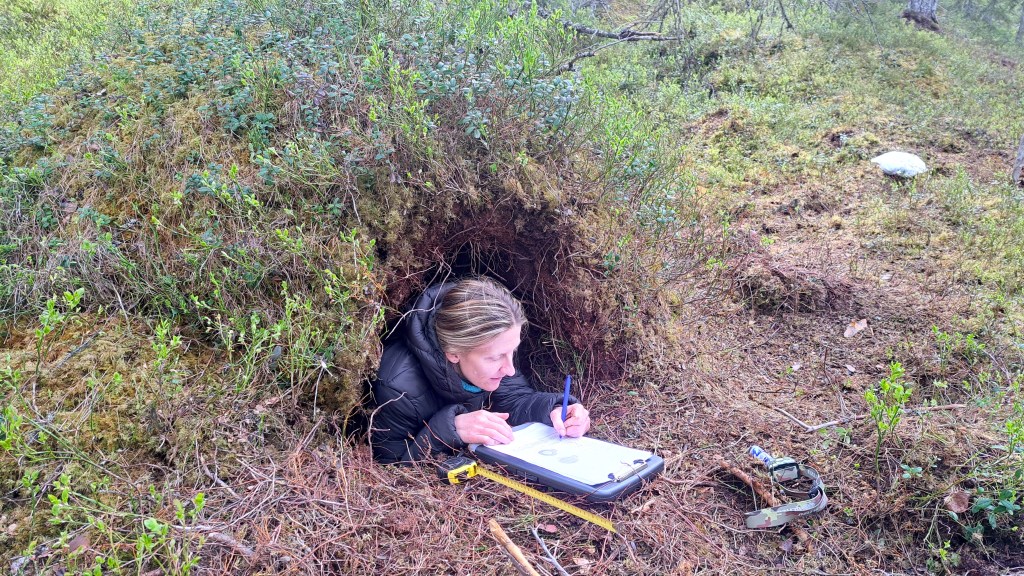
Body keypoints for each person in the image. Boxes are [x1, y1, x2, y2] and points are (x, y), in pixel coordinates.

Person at [370, 277, 591, 464]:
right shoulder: (398, 389)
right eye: (496, 357)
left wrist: (555, 409)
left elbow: (514, 398)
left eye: (512, 352)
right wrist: (448, 429)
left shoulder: (490, 349)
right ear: (454, 352)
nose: (510, 369)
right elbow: (390, 461)